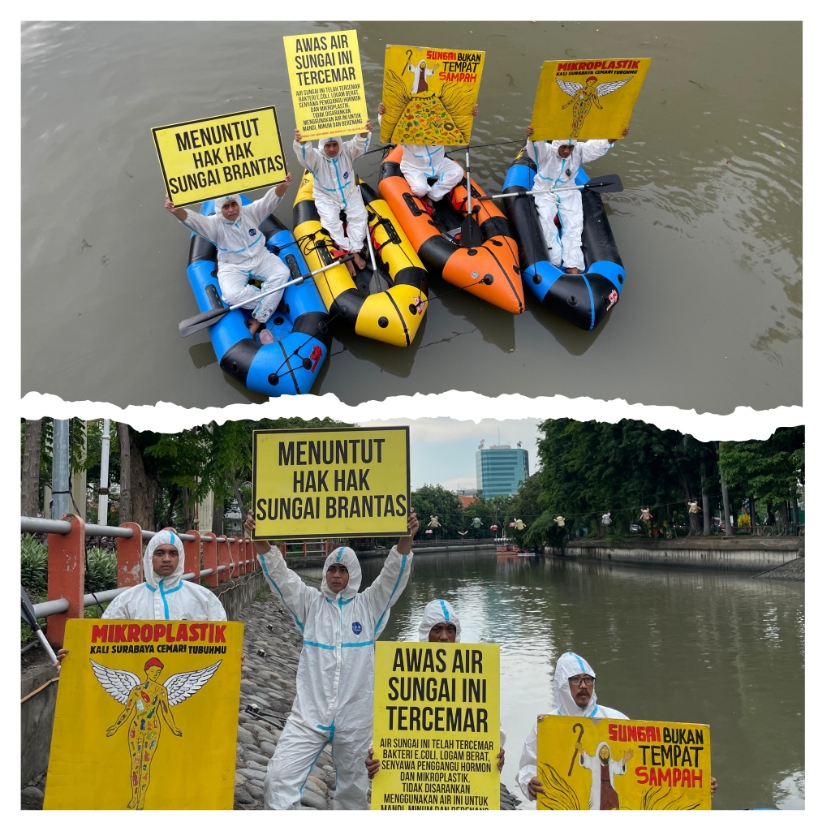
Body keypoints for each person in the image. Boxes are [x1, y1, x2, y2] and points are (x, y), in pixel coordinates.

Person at [246, 507, 419, 810]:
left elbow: (394, 574)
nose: (336, 575)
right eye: (331, 569)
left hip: (356, 719)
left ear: (353, 574)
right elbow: (280, 575)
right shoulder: (310, 603)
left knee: (353, 796)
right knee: (277, 779)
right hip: (309, 716)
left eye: (343, 570)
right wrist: (259, 537)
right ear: (325, 573)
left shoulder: (369, 606)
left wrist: (406, 537)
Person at [516, 652, 717, 803]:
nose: (583, 685)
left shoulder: (615, 719)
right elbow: (527, 765)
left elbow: (651, 766)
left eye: (588, 679)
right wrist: (529, 783)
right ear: (562, 684)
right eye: (576, 679)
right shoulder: (546, 726)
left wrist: (696, 785)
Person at [365, 598, 505, 778]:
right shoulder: (402, 673)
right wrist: (372, 753)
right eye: (437, 629)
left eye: (450, 629)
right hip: (412, 770)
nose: (444, 637)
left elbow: (487, 720)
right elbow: (383, 719)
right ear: (426, 633)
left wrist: (496, 749)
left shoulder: (474, 674)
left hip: (459, 768)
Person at [165, 174, 295, 344]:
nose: (231, 210)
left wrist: (283, 185)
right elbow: (192, 220)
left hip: (261, 257)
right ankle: (271, 299)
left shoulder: (250, 212)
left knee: (283, 273)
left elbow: (269, 200)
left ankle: (258, 318)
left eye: (234, 204)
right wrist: (175, 210)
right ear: (220, 209)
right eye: (226, 206)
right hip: (233, 266)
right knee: (232, 296)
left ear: (239, 203)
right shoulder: (213, 225)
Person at [524, 125, 628, 274]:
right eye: (564, 147)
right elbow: (535, 145)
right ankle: (553, 260)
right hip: (544, 192)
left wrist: (616, 134)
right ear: (557, 144)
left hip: (568, 191)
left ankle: (573, 264)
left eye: (570, 147)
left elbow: (597, 146)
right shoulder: (546, 151)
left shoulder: (578, 151)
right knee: (546, 222)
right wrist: (532, 135)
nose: (567, 151)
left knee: (574, 226)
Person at [293, 122, 372, 278]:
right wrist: (302, 142)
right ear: (323, 146)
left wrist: (363, 132)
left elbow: (359, 143)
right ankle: (346, 253)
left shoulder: (347, 151)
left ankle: (355, 249)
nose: (332, 149)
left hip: (349, 193)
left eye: (335, 144)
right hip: (326, 196)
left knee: (360, 217)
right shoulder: (316, 158)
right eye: (328, 145)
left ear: (340, 144)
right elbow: (305, 154)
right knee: (331, 222)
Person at [102, 529, 227, 621]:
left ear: (180, 558)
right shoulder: (126, 601)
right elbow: (104, 642)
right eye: (160, 553)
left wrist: (234, 654)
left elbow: (224, 642)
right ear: (150, 557)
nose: (167, 559)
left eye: (173, 553)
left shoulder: (204, 599)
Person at [377, 101, 478, 208]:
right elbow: (387, 126)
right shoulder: (404, 128)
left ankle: (432, 196)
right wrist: (383, 114)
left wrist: (468, 113)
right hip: (414, 166)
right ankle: (424, 194)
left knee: (457, 172)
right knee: (420, 189)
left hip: (438, 162)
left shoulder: (440, 122)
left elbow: (457, 120)